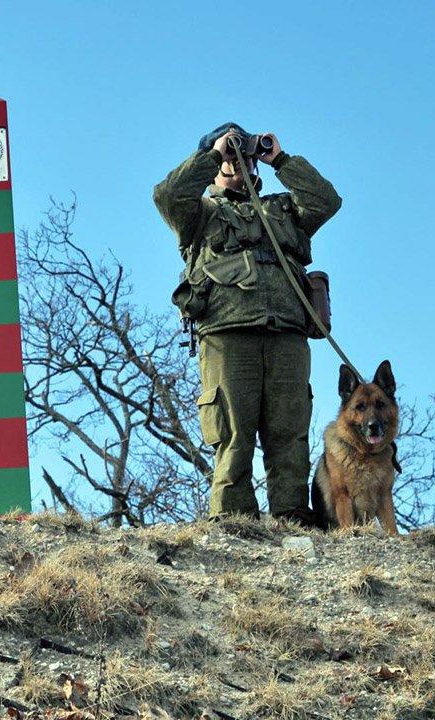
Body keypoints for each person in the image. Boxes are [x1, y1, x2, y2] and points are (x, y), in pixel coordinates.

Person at [153, 122, 341, 522]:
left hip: (287, 330)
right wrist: (212, 155)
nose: (239, 160)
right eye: (231, 153)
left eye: (244, 152)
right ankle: (232, 516)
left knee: (289, 427)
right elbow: (167, 194)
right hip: (227, 330)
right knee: (232, 429)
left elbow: (326, 201)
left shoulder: (284, 209)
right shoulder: (199, 213)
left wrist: (281, 160)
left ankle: (291, 511)